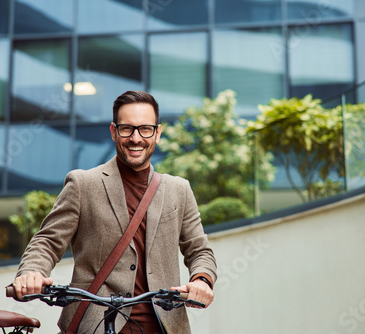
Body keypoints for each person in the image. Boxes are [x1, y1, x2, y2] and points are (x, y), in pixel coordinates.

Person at [12, 91, 217, 334]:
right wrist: (32, 273)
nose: (136, 138)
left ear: (158, 133)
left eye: (145, 129)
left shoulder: (178, 189)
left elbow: (199, 250)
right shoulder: (83, 184)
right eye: (127, 129)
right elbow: (47, 241)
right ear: (113, 131)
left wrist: (201, 281)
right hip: (96, 324)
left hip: (166, 326)